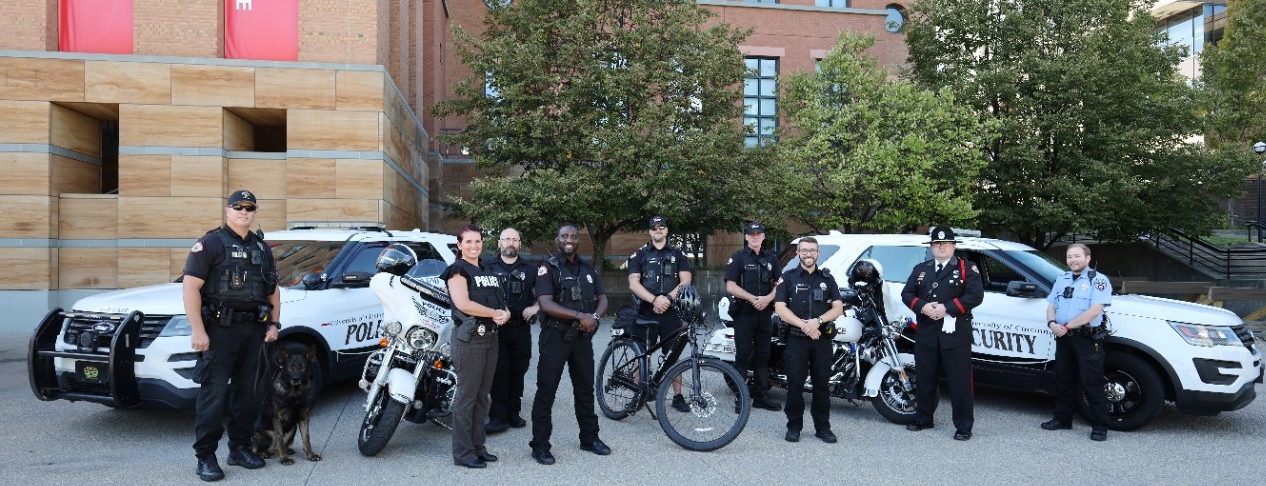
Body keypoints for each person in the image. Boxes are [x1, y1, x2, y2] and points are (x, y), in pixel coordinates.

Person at [183, 189, 280, 482]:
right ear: (227, 210)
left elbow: (273, 290)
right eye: (238, 206)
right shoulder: (211, 242)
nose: (244, 211)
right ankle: (206, 457)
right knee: (214, 396)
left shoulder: (262, 248)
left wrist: (274, 324)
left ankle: (239, 448)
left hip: (254, 330)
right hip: (219, 331)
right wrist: (198, 329)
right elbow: (190, 287)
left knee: (248, 394)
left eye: (249, 207)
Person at [529, 223, 611, 465]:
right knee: (546, 391)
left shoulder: (587, 269)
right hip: (555, 337)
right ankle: (540, 445)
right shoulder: (548, 268)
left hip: (582, 339)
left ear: (578, 240)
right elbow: (545, 303)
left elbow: (602, 297)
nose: (569, 240)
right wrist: (579, 317)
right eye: (564, 236)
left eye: (573, 236)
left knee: (585, 390)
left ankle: (589, 438)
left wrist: (594, 317)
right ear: (557, 240)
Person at [901, 226, 984, 441]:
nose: (941, 247)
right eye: (937, 244)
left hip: (955, 335)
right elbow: (907, 293)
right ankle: (924, 417)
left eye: (945, 244)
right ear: (931, 247)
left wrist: (946, 308)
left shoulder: (967, 268)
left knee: (960, 382)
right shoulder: (921, 269)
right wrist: (923, 306)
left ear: (953, 246)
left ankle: (964, 425)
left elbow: (975, 296)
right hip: (927, 333)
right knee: (925, 378)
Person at [442, 224, 511, 469]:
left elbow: (500, 301)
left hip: (490, 337)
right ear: (459, 245)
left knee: (483, 396)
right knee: (467, 398)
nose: (474, 246)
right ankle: (463, 453)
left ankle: (478, 447)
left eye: (478, 241)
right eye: (468, 242)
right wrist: (495, 313)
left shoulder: (486, 269)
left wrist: (505, 313)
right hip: (469, 339)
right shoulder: (457, 270)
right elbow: (463, 304)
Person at [773, 236, 844, 444]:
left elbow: (838, 307)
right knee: (795, 385)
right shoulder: (788, 277)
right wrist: (805, 325)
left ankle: (823, 428)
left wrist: (817, 322)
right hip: (796, 339)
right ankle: (794, 427)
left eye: (812, 250)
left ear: (818, 253)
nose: (808, 254)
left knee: (822, 385)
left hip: (821, 339)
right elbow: (780, 308)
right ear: (798, 253)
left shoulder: (827, 279)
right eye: (804, 250)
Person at [1041, 243, 1112, 441]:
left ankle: (1100, 425)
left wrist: (1067, 326)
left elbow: (1094, 311)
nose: (1073, 260)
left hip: (1086, 338)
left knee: (1092, 382)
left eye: (1077, 256)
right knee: (1063, 379)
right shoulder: (1061, 279)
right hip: (1063, 337)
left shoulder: (1098, 281)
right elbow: (1051, 305)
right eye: (1069, 257)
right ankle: (1062, 419)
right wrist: (1051, 322)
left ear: (1088, 258)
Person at [627, 215, 692, 412]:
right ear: (649, 232)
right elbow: (633, 283)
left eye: (661, 227)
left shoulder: (679, 254)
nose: (658, 230)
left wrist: (668, 299)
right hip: (646, 310)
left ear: (666, 230)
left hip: (671, 311)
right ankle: (639, 393)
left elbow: (686, 280)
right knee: (641, 354)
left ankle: (677, 396)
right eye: (654, 228)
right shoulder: (639, 255)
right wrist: (655, 300)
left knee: (673, 354)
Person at [485, 227, 540, 434]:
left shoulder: (531, 269)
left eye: (514, 240)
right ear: (499, 242)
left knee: (518, 370)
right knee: (499, 371)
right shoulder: (487, 266)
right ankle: (498, 417)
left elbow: (546, 295)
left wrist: (535, 307)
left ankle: (513, 413)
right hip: (495, 328)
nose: (510, 243)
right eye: (506, 239)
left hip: (520, 328)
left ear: (519, 244)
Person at [724, 221, 782, 412]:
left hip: (765, 313)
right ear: (746, 237)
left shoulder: (771, 258)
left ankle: (761, 396)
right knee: (742, 355)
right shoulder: (738, 258)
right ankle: (741, 397)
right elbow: (730, 286)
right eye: (751, 234)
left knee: (763, 355)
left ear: (763, 237)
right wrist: (753, 298)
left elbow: (779, 284)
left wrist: (767, 299)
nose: (755, 236)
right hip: (744, 314)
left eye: (758, 234)